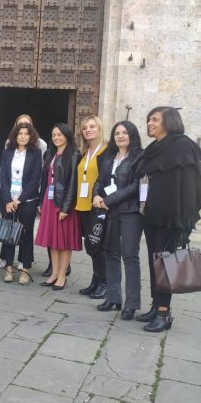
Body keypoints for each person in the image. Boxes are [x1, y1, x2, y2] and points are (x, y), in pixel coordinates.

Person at [133, 107, 201, 332]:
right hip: (152, 216)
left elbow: (190, 185)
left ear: (169, 122)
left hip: (171, 218)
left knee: (165, 265)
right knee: (155, 263)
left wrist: (185, 218)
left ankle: (164, 314)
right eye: (148, 120)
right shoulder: (153, 148)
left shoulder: (183, 146)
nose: (150, 123)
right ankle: (155, 305)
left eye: (155, 120)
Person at [92, 121, 143, 319]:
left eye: (124, 133)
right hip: (110, 212)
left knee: (130, 256)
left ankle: (131, 303)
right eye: (117, 133)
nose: (120, 136)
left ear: (132, 134)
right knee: (110, 253)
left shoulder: (139, 157)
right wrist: (96, 196)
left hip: (130, 212)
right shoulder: (110, 157)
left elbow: (135, 186)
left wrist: (108, 200)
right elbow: (100, 181)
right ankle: (113, 297)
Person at [35, 123, 82, 290]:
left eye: (60, 135)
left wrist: (66, 208)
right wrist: (40, 202)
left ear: (67, 136)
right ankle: (54, 273)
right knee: (52, 241)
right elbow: (44, 179)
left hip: (63, 202)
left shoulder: (75, 155)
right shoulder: (50, 153)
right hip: (49, 199)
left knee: (64, 241)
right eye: (54, 135)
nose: (56, 138)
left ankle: (62, 274)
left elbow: (72, 184)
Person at [0, 122, 43, 285]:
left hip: (27, 201)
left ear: (31, 136)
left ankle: (25, 269)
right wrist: (8, 200)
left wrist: (19, 199)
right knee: (9, 234)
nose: (23, 136)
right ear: (15, 136)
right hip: (9, 200)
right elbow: (3, 176)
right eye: (20, 133)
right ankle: (9, 268)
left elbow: (35, 179)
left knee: (26, 234)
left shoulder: (35, 153)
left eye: (26, 133)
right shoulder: (7, 152)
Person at [75, 115, 109, 298]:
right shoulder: (85, 152)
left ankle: (104, 283)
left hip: (97, 205)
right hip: (82, 204)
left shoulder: (106, 152)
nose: (88, 130)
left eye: (92, 126)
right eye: (85, 128)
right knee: (90, 244)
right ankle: (95, 281)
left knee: (98, 245)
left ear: (99, 128)